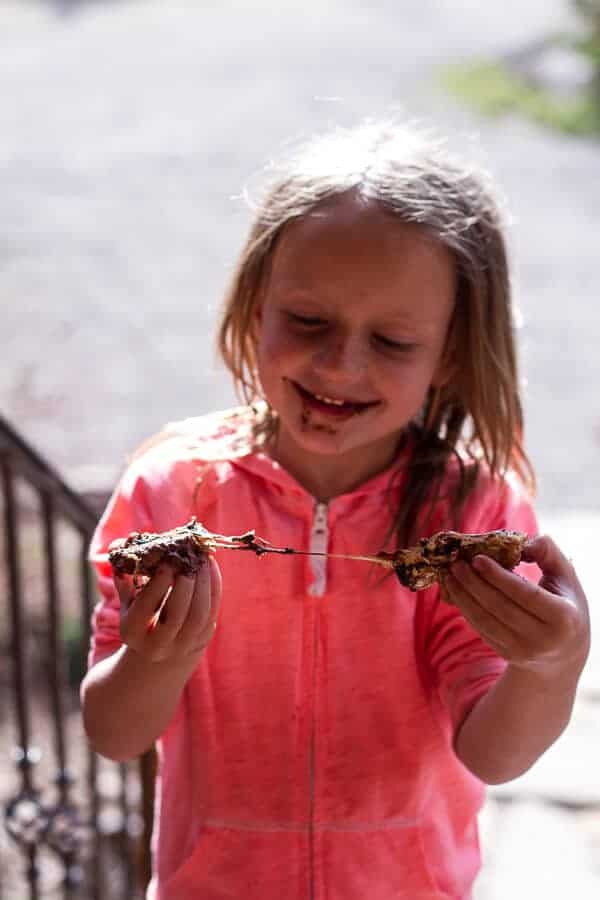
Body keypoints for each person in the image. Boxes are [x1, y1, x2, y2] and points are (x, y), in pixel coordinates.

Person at [80, 121, 590, 900]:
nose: (341, 364)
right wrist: (156, 657)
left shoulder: (472, 509)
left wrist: (550, 665)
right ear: (256, 304)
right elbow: (115, 734)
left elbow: (495, 753)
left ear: (450, 352)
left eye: (391, 340)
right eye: (309, 322)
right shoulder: (172, 489)